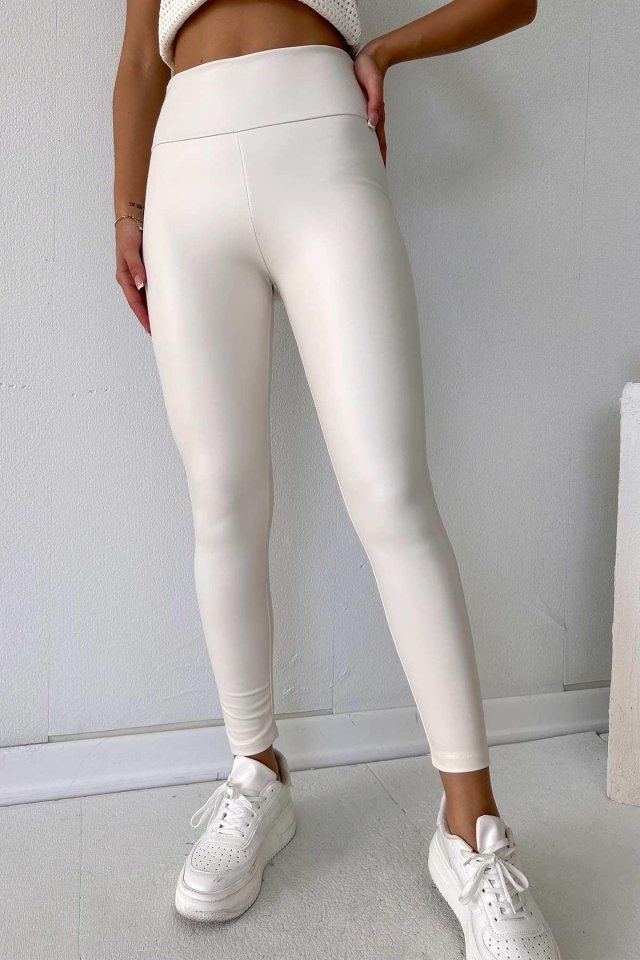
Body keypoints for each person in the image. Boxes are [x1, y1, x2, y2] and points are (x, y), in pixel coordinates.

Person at [113, 0, 561, 955]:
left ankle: (470, 828)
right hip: (182, 168)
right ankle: (256, 774)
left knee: (392, 495)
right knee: (222, 501)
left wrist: (386, 50)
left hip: (320, 139)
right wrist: (127, 206)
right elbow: (139, 58)